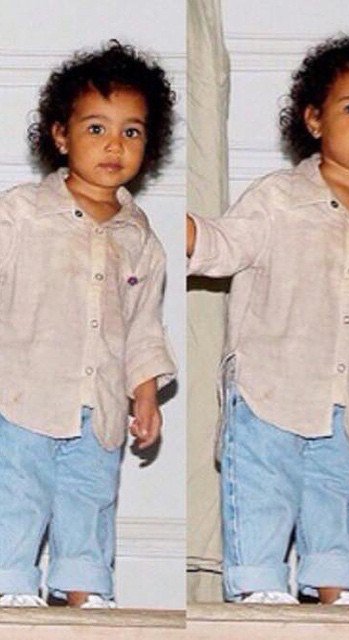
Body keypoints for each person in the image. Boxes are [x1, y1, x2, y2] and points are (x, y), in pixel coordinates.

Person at [187, 25, 349, 605]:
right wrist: (187, 231)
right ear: (315, 119)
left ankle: (336, 589)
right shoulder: (277, 198)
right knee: (262, 491)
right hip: (268, 387)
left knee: (336, 493)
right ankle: (258, 588)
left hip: (345, 398)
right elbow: (224, 245)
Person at [0, 41, 176, 608]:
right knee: (17, 494)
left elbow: (143, 327)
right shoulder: (20, 214)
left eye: (132, 132)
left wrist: (144, 394)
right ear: (60, 135)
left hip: (98, 406)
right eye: (96, 128)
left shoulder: (140, 239)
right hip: (21, 396)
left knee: (91, 497)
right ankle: (9, 585)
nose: (114, 145)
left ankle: (86, 590)